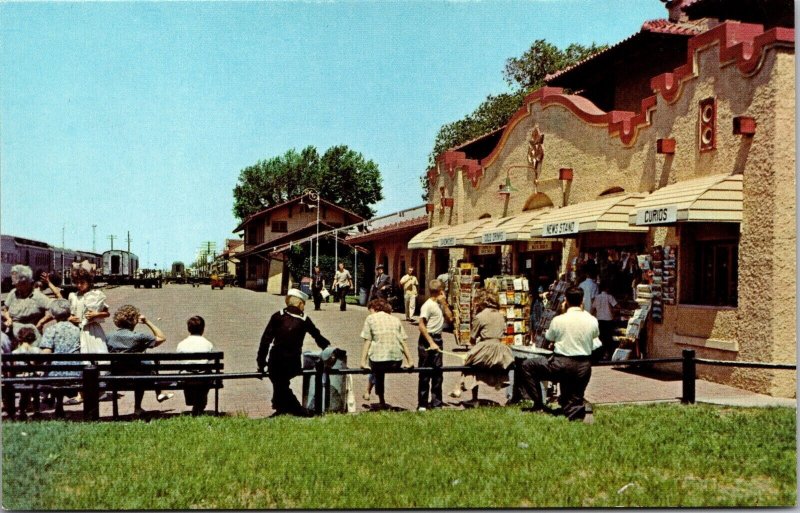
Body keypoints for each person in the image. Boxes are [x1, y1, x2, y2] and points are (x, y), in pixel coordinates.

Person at [515, 286, 599, 421]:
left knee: (527, 365)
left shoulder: (559, 320)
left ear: (565, 301)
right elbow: (595, 337)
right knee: (573, 402)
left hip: (561, 364)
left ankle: (538, 404)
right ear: (582, 301)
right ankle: (574, 407)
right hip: (583, 367)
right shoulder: (592, 320)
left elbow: (549, 337)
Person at [256, 288, 331, 417]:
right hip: (293, 363)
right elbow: (317, 336)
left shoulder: (277, 316)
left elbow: (265, 341)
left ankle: (291, 409)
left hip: (275, 362)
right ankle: (289, 408)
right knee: (282, 384)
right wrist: (327, 346)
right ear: (299, 304)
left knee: (280, 384)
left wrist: (261, 362)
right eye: (304, 304)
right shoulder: (304, 320)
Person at [106, 305, 171, 417]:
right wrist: (147, 322)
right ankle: (140, 405)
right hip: (139, 377)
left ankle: (119, 411)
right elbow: (161, 337)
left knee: (141, 364)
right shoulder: (139, 337)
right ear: (134, 321)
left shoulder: (109, 336)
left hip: (116, 377)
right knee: (143, 367)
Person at [449, 292, 512, 404]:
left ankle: (461, 388)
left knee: (468, 362)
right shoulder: (502, 316)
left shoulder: (480, 316)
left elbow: (472, 338)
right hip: (500, 350)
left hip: (485, 348)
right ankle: (497, 381)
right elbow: (503, 333)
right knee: (477, 362)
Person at [359, 298, 413, 409]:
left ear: (374, 308)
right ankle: (379, 399)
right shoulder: (396, 319)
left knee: (375, 365)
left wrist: (362, 362)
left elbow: (367, 341)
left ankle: (377, 397)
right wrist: (410, 361)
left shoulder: (370, 319)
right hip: (396, 361)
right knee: (378, 367)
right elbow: (403, 341)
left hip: (378, 361)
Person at [39, 299, 83, 410]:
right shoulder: (77, 329)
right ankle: (58, 404)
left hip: (55, 374)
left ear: (53, 315)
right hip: (75, 372)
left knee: (49, 367)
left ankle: (55, 402)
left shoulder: (51, 330)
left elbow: (46, 353)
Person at [417, 279, 453, 411]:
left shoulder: (440, 304)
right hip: (427, 339)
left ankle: (436, 402)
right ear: (440, 291)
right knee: (425, 372)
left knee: (438, 372)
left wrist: (445, 304)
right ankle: (422, 403)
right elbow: (421, 326)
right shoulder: (427, 306)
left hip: (438, 338)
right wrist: (431, 342)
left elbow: (451, 318)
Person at [2, 265, 54, 346]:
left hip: (30, 338)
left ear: (25, 282)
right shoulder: (13, 293)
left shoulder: (38, 296)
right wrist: (8, 318)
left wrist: (41, 322)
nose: (13, 285)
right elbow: (5, 310)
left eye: (16, 284)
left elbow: (54, 309)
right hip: (13, 336)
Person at [176, 316, 215, 415]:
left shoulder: (181, 344)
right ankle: (200, 404)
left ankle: (193, 401)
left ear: (188, 329)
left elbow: (180, 360)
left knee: (184, 371)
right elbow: (209, 359)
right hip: (203, 379)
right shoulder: (208, 344)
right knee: (208, 373)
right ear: (203, 329)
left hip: (187, 379)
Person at [67, 268, 110, 354]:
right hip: (76, 329)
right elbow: (69, 314)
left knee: (95, 353)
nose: (79, 285)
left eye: (82, 283)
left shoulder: (95, 296)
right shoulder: (73, 296)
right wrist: (70, 318)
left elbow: (107, 313)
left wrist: (96, 314)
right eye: (76, 283)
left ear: (88, 282)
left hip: (92, 330)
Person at [12, 327, 42, 419]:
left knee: (24, 394)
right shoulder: (37, 350)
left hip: (21, 380)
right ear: (33, 338)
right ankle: (37, 411)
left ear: (20, 337)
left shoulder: (15, 352)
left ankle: (22, 412)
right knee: (35, 393)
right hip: (35, 380)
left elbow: (13, 368)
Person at [591, 284, 619, 360]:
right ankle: (609, 354)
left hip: (600, 320)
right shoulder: (609, 297)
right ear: (607, 288)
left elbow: (592, 309)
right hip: (608, 320)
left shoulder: (597, 297)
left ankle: (601, 354)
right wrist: (612, 311)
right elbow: (617, 307)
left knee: (601, 337)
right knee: (608, 338)